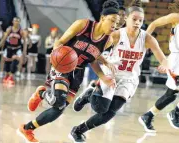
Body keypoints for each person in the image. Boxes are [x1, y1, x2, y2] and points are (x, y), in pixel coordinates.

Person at [17, 0, 120, 142]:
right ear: (103, 18)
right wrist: (56, 59)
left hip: (78, 73)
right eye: (112, 21)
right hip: (63, 65)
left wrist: (103, 76)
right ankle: (42, 93)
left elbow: (93, 60)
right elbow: (59, 42)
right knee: (59, 101)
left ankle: (27, 128)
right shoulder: (83, 25)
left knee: (59, 109)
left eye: (117, 23)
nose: (115, 25)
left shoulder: (108, 41)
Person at [71, 0, 169, 142]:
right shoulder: (115, 35)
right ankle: (89, 95)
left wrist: (164, 65)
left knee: (110, 113)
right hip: (112, 74)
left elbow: (162, 58)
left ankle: (78, 130)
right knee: (100, 108)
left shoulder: (147, 39)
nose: (137, 23)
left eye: (140, 20)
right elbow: (95, 53)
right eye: (134, 19)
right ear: (126, 19)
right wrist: (104, 64)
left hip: (129, 79)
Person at [139, 1, 179, 132]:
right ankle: (176, 113)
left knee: (171, 94)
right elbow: (155, 23)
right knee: (172, 93)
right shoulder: (176, 16)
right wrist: (144, 40)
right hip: (176, 59)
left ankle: (148, 116)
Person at [0, 17, 27, 85]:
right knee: (5, 60)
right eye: (15, 21)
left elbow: (25, 41)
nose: (16, 22)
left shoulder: (21, 31)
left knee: (18, 59)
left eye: (18, 21)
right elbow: (4, 38)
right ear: (12, 21)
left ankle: (16, 73)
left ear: (19, 22)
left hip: (17, 48)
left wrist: (24, 51)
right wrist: (0, 45)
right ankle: (4, 73)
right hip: (9, 48)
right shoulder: (9, 29)